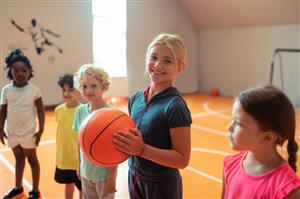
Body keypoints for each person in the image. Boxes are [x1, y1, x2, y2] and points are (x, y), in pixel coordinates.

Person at [113, 33, 192, 199]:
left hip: (162, 184)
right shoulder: (135, 99)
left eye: (167, 61)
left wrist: (142, 150)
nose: (158, 64)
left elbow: (182, 159)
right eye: (153, 57)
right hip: (134, 176)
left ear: (181, 67)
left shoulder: (175, 106)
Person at [221, 86, 300, 199]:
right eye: (231, 120)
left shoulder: (288, 190)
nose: (229, 128)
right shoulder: (230, 164)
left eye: (238, 123)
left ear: (268, 137)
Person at [0, 49, 45, 199]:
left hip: (28, 133)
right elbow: (3, 112)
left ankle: (35, 190)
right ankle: (18, 188)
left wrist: (40, 131)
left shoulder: (34, 90)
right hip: (12, 133)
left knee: (32, 161)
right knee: (18, 160)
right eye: (16, 71)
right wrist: (0, 129)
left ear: (29, 71)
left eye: (23, 70)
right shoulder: (6, 90)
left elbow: (41, 112)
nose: (20, 73)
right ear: (10, 72)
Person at [72, 64, 117, 199]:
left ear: (104, 87)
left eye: (93, 86)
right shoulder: (80, 111)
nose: (88, 91)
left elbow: (116, 149)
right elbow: (80, 142)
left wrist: (111, 176)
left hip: (103, 176)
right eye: (84, 86)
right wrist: (79, 166)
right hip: (86, 173)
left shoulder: (110, 113)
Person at [54, 73, 82, 199]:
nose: (66, 93)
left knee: (82, 188)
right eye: (64, 90)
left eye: (71, 89)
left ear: (79, 91)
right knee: (68, 185)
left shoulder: (84, 110)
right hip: (64, 158)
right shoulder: (59, 109)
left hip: (78, 160)